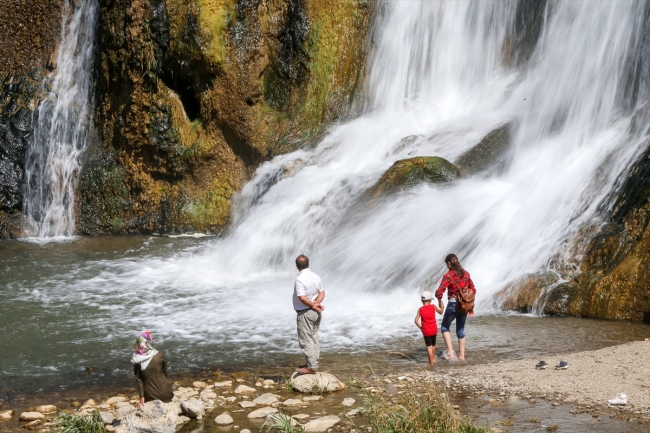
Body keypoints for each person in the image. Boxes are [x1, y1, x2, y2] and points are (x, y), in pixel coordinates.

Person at [434, 254, 476, 361]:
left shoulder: (448, 276)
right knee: (460, 330)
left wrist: (440, 302)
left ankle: (451, 354)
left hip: (453, 304)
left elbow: (439, 292)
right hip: (464, 305)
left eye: (446, 264)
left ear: (449, 263)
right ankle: (462, 356)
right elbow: (473, 289)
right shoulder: (466, 274)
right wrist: (468, 302)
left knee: (444, 327)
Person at [292, 255, 325, 375]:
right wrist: (317, 304)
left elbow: (302, 298)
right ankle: (313, 364)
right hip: (315, 312)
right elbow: (322, 292)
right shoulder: (315, 276)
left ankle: (311, 367)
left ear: (297, 266)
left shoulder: (300, 279)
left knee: (306, 340)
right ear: (308, 264)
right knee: (314, 338)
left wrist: (312, 305)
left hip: (305, 312)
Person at [131, 331, 173, 409]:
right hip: (168, 394)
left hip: (151, 397)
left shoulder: (136, 360)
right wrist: (167, 387)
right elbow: (166, 373)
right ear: (149, 342)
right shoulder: (160, 354)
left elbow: (139, 382)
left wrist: (142, 399)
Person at [414, 290, 444, 365]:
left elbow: (416, 321)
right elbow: (440, 312)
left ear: (422, 300)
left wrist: (421, 327)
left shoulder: (420, 309)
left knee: (429, 347)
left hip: (426, 331)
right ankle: (433, 359)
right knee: (433, 345)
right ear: (430, 300)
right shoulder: (433, 306)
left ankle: (431, 363)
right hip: (434, 329)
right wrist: (442, 307)